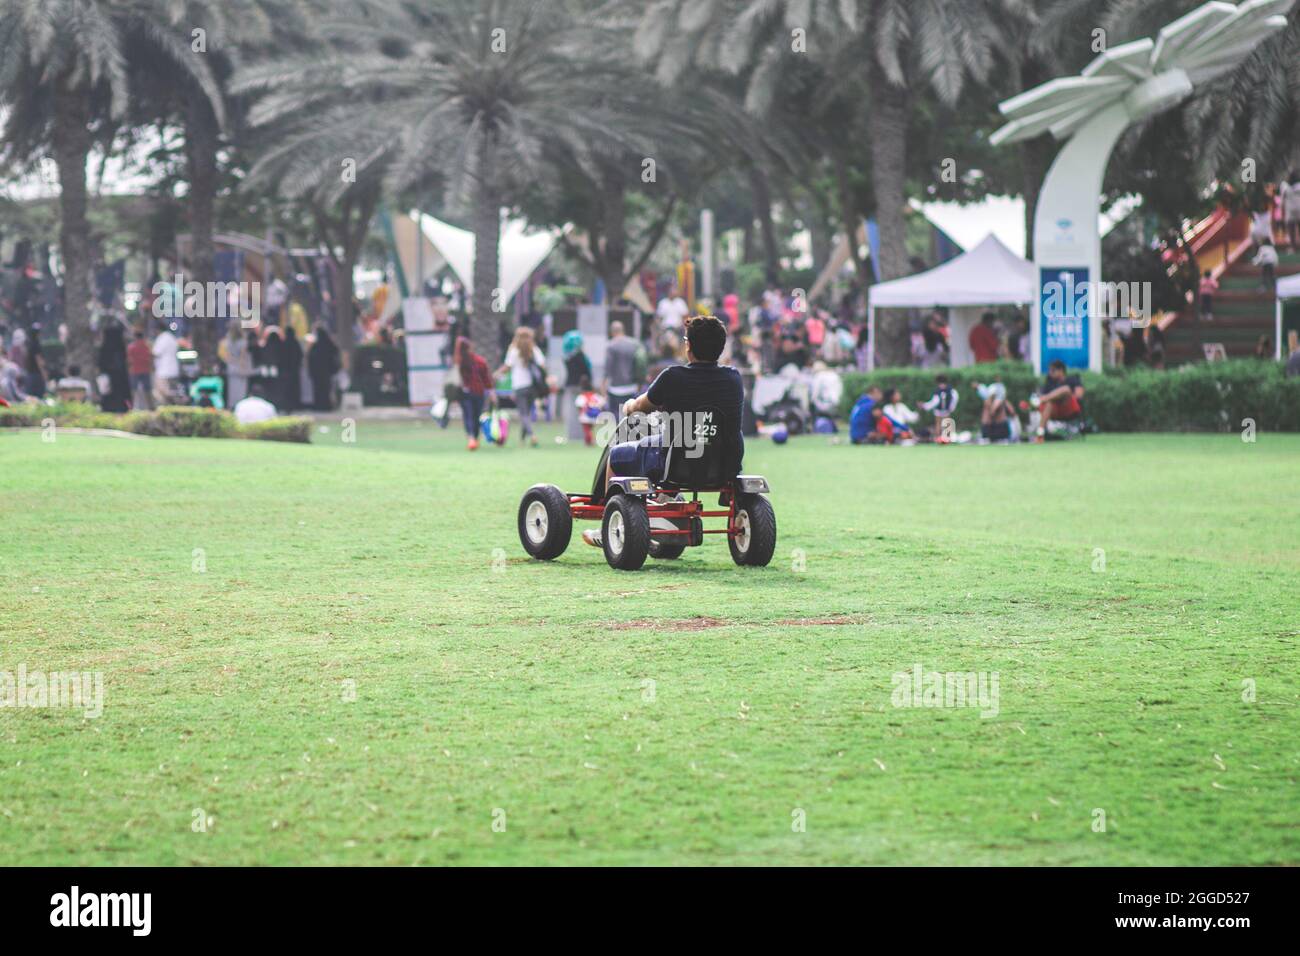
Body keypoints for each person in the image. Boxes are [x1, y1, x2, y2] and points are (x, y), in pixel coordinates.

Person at [581, 315, 743, 548]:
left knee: (617, 455)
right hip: (725, 465)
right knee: (679, 442)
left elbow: (641, 406)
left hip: (676, 464)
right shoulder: (734, 379)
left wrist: (629, 406)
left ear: (688, 346)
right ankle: (664, 501)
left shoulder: (673, 377)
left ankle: (608, 524)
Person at [495, 326, 545, 447]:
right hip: (532, 386)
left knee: (523, 414)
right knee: (527, 412)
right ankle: (522, 440)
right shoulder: (534, 350)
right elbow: (542, 365)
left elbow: (507, 367)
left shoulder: (514, 351)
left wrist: (497, 373)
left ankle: (532, 435)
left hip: (519, 386)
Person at [453, 335, 493, 451]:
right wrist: (491, 391)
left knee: (468, 416)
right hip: (478, 392)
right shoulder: (480, 361)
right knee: (476, 416)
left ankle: (471, 438)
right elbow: (486, 378)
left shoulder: (458, 362)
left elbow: (455, 379)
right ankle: (475, 438)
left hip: (464, 393)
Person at [1034, 359, 1084, 442]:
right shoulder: (1050, 382)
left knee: (1065, 389)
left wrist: (1061, 395)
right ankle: (1040, 435)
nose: (1050, 373)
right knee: (1050, 402)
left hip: (1070, 408)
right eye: (1049, 370)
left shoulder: (1072, 379)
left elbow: (1079, 395)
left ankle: (1043, 399)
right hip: (1054, 410)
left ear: (1061, 370)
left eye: (1053, 370)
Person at [604, 320, 643, 422]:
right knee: (630, 416)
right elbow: (640, 363)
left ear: (612, 332)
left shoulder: (611, 346)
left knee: (617, 417)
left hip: (615, 388)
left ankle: (620, 436)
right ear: (623, 330)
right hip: (631, 386)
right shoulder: (634, 344)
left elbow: (608, 368)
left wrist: (603, 384)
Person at [561, 329, 591, 442]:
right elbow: (587, 372)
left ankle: (572, 434)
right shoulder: (580, 356)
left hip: (570, 386)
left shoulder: (567, 357)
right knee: (581, 411)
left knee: (571, 411)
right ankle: (580, 434)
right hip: (580, 387)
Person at [96, 320, 130, 411]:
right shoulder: (120, 347)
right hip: (120, 376)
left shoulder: (105, 347)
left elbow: (100, 362)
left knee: (108, 394)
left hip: (108, 375)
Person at [307, 324, 340, 411]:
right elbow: (335, 353)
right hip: (327, 372)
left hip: (318, 373)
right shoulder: (329, 344)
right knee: (326, 389)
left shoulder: (315, 346)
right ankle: (326, 405)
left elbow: (310, 359)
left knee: (319, 390)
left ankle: (319, 406)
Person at [219, 323, 253, 408]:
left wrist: (232, 362)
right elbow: (243, 357)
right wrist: (240, 364)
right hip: (240, 369)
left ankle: (232, 407)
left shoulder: (227, 342)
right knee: (241, 391)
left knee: (232, 391)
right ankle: (240, 407)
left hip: (231, 368)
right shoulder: (243, 342)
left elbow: (226, 357)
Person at [151, 323, 179, 405]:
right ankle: (175, 407)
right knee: (172, 392)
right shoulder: (172, 338)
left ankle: (166, 409)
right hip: (174, 370)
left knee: (160, 393)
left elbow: (155, 353)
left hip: (163, 371)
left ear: (158, 330)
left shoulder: (162, 338)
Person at [126, 328, 154, 410]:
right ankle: (151, 407)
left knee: (132, 390)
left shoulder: (131, 347)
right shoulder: (147, 346)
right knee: (147, 390)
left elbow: (128, 359)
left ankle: (130, 407)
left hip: (134, 370)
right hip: (146, 370)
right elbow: (150, 357)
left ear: (135, 336)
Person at [575, 375, 602, 446]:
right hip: (594, 415)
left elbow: (579, 406)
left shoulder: (582, 396)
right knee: (590, 429)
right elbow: (601, 403)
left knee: (587, 430)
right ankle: (588, 441)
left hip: (585, 416)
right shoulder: (595, 395)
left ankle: (591, 441)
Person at [282, 326, 304, 411]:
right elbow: (300, 355)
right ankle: (295, 405)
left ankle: (287, 406)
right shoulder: (296, 343)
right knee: (294, 389)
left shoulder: (284, 343)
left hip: (286, 371)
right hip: (294, 371)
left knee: (287, 389)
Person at [1282, 171, 1300, 248]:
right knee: (1292, 228)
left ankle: (1293, 247)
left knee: (1291, 230)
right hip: (1297, 209)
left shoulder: (1284, 186)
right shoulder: (1285, 186)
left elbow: (1283, 200)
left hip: (1290, 211)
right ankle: (1293, 247)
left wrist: (1282, 210)